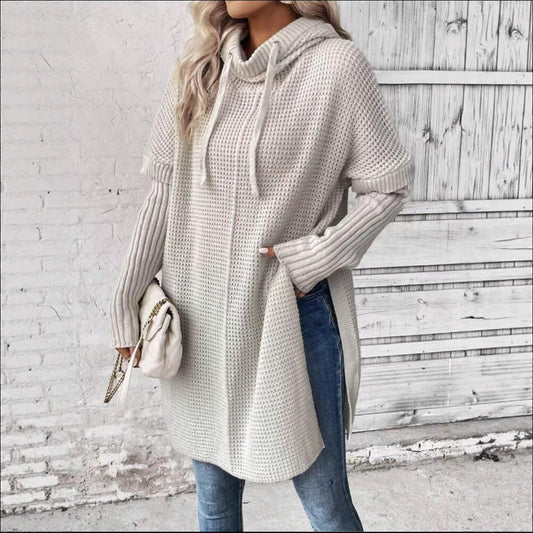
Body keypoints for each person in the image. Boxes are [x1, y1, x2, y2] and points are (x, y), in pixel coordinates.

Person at [109, 1, 414, 531]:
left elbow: (387, 187)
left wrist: (312, 259)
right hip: (200, 322)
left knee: (326, 506)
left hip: (288, 320)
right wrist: (124, 303)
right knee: (214, 505)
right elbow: (164, 193)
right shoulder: (202, 66)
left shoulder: (337, 67)